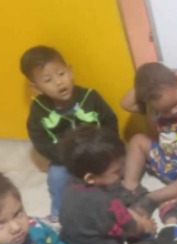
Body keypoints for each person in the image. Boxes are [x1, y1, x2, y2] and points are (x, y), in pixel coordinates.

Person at [21, 45, 118, 225]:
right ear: (36, 87)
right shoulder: (39, 109)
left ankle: (115, 205)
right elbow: (39, 139)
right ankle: (58, 214)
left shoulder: (90, 96)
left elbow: (110, 121)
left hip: (97, 152)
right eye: (48, 80)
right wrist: (64, 157)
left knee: (115, 170)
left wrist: (105, 147)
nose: (59, 82)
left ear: (70, 71)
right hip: (65, 158)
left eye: (61, 74)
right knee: (56, 176)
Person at [59, 125, 157, 244]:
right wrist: (145, 225)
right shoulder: (107, 202)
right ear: (90, 178)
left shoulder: (70, 184)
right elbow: (132, 229)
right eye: (116, 172)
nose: (121, 174)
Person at [121, 63, 177, 222]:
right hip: (163, 159)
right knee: (137, 140)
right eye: (165, 110)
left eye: (175, 103)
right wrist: (146, 87)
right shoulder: (153, 106)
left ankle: (152, 198)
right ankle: (130, 187)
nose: (173, 111)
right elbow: (125, 103)